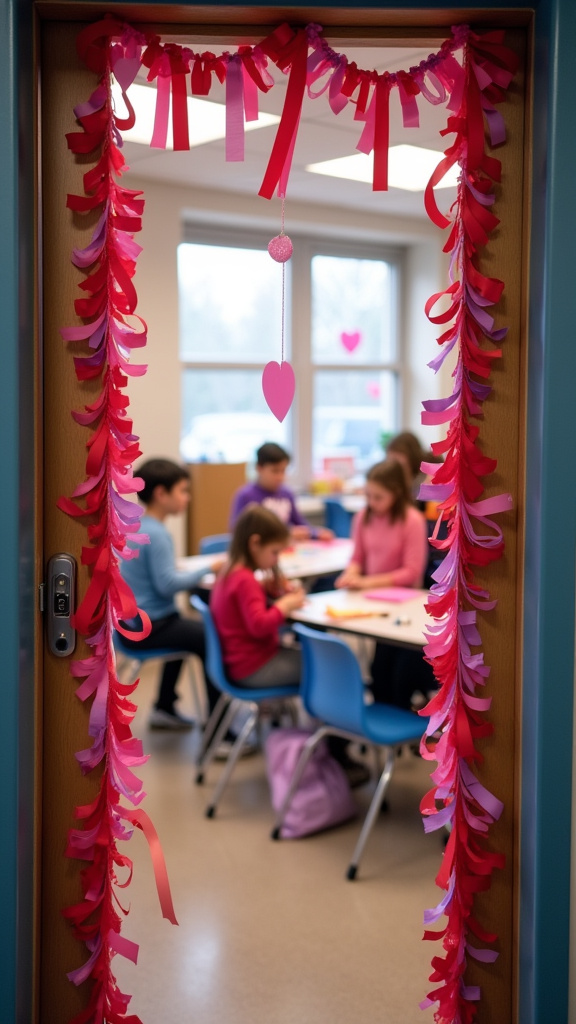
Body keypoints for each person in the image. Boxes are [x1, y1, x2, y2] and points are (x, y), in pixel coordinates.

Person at [119, 458, 224, 731]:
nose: (187, 498)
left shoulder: (138, 525)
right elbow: (166, 585)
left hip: (129, 625)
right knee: (206, 636)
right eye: (182, 491)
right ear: (161, 494)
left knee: (184, 629)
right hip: (148, 627)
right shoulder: (158, 534)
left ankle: (165, 707)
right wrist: (207, 568)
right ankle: (220, 730)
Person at [335, 459, 435, 710]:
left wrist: (366, 582)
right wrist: (351, 574)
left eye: (378, 497)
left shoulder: (412, 520)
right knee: (379, 670)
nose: (371, 502)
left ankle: (397, 719)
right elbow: (357, 558)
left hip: (403, 605)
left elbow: (411, 572)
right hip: (373, 602)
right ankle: (385, 721)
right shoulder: (363, 517)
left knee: (396, 670)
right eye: (368, 495)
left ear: (397, 493)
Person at [210, 504, 306, 689]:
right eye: (275, 552)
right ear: (255, 544)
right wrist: (284, 606)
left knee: (313, 659)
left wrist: (263, 588)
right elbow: (259, 626)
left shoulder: (229, 572)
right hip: (255, 667)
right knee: (327, 665)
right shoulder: (246, 580)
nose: (277, 560)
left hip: (240, 664)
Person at [229, 442, 334, 541]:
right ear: (259, 468)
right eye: (275, 471)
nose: (280, 477)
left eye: (283, 471)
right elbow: (239, 533)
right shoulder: (245, 495)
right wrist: (286, 533)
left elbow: (300, 524)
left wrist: (316, 533)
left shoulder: (287, 494)